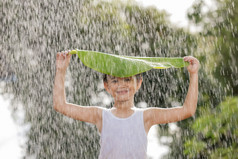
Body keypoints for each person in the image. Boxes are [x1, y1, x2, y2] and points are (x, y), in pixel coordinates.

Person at [53, 50, 199, 159]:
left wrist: (193, 75)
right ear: (107, 86)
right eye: (115, 81)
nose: (121, 85)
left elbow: (188, 110)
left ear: (138, 83)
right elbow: (60, 105)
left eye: (128, 80)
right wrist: (61, 70)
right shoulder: (100, 116)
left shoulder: (146, 116)